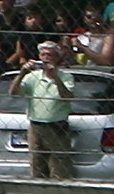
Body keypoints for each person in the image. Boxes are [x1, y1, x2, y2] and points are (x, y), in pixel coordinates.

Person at [9, 41, 74, 180]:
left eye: (50, 55)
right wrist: (22, 73)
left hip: (57, 127)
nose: (46, 58)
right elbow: (13, 92)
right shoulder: (33, 77)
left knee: (59, 168)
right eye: (43, 54)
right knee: (37, 165)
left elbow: (67, 97)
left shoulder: (66, 77)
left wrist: (55, 77)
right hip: (36, 126)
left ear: (57, 57)